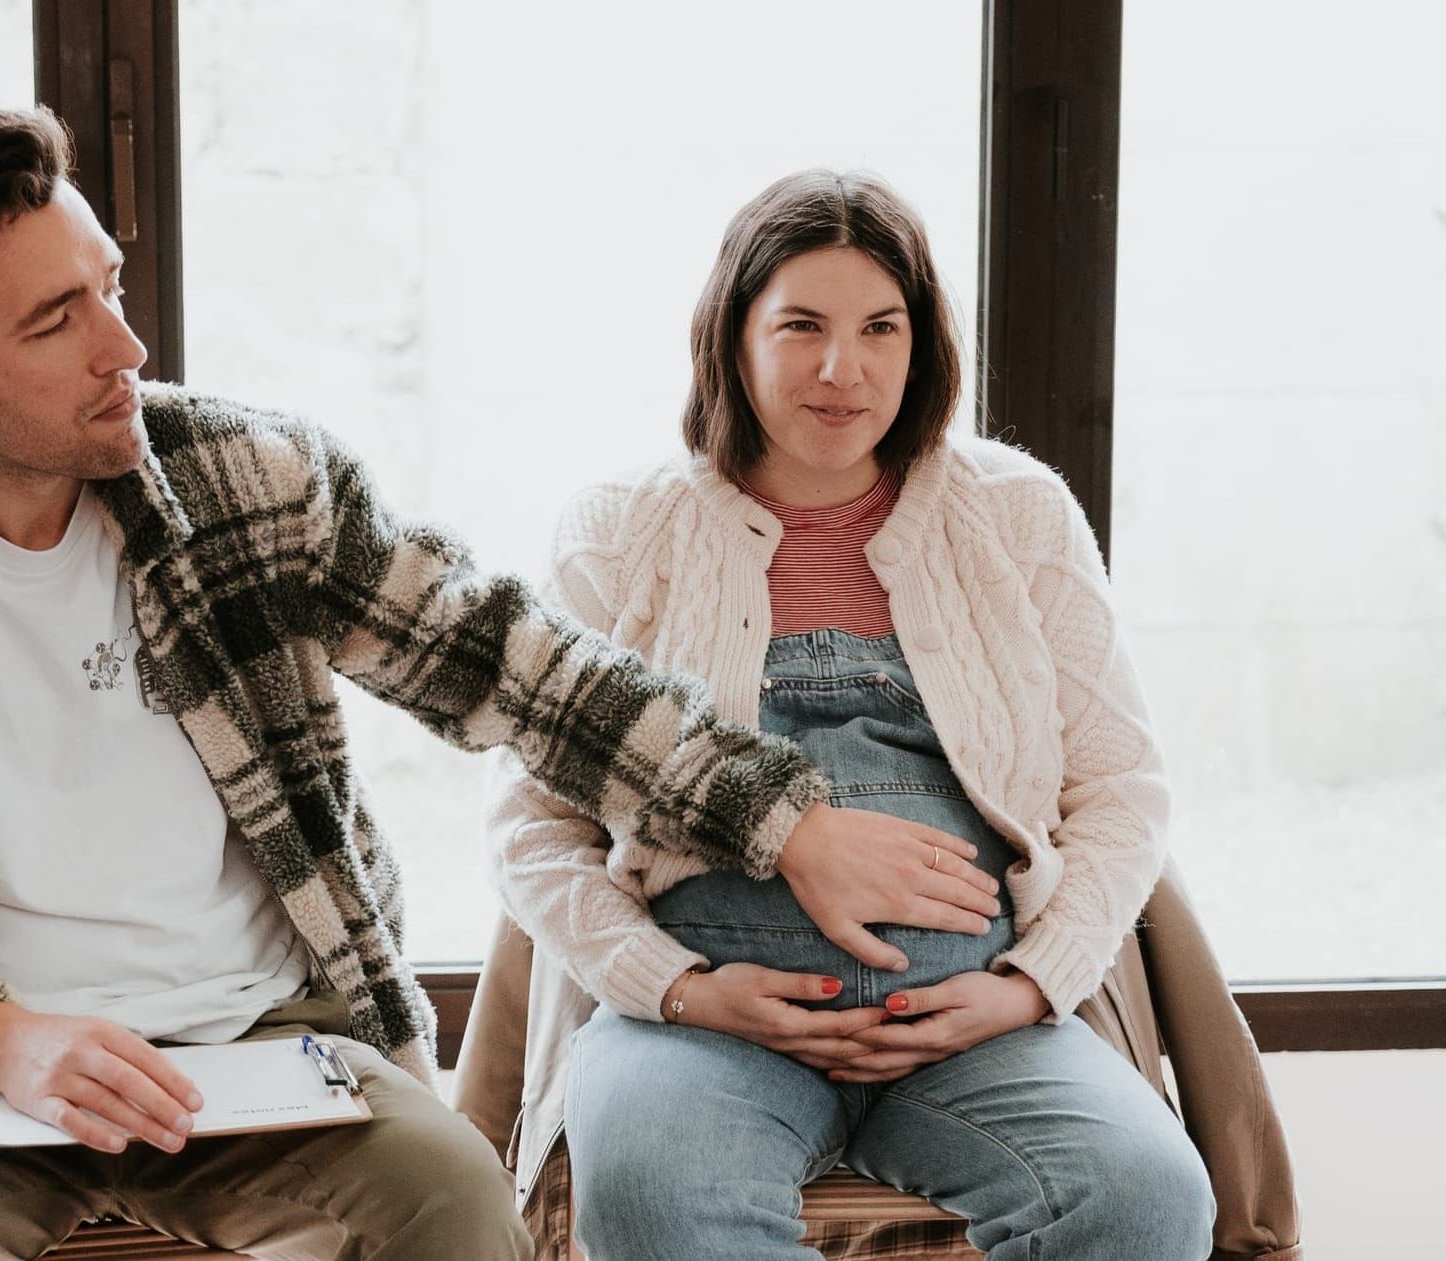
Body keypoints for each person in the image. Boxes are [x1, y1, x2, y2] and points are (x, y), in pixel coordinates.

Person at [0, 110, 952, 1260]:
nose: (123, 346)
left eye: (107, 290)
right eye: (52, 321)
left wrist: (784, 819)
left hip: (258, 1042)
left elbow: (517, 665)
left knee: (458, 1204)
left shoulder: (254, 481)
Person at [486, 170, 1217, 1259]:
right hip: (712, 1028)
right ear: (730, 338)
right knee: (651, 1188)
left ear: (921, 343)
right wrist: (682, 991)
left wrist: (1025, 990)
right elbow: (531, 829)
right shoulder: (621, 529)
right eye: (800, 327)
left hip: (973, 1028)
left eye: (881, 325)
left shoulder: (1015, 513)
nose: (844, 369)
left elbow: (1119, 793)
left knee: (1147, 1200)